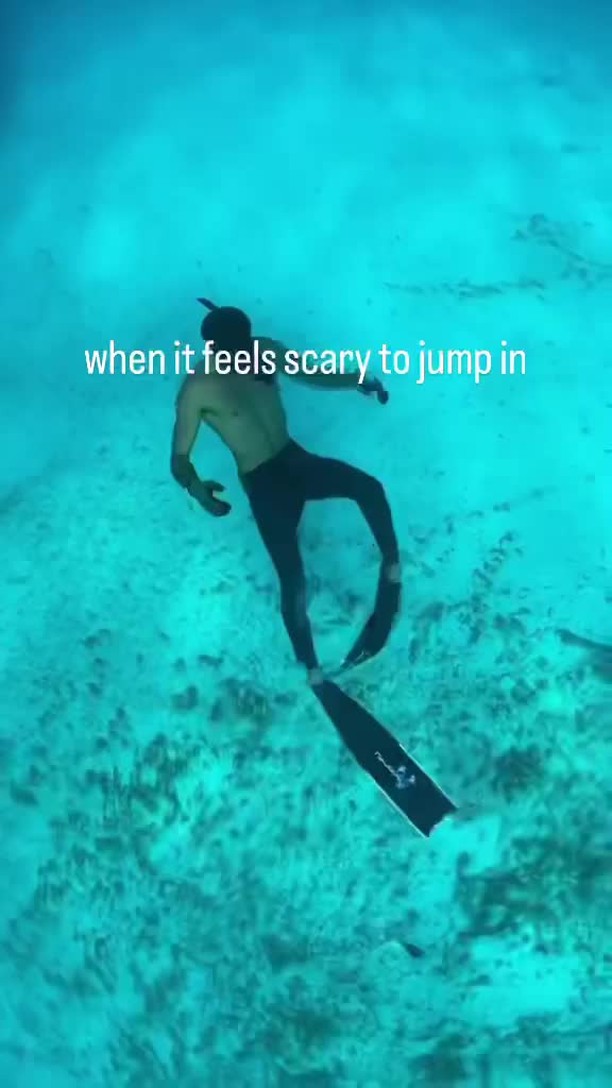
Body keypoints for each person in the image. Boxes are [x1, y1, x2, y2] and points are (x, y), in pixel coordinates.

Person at [170, 300, 401, 687]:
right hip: (263, 486)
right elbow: (178, 459)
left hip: (295, 460)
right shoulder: (197, 389)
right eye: (233, 351)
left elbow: (313, 374)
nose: (244, 355)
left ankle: (392, 565)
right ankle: (311, 668)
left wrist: (358, 379)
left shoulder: (264, 350)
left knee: (369, 488)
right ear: (213, 350)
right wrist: (198, 490)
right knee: (293, 581)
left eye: (246, 345)